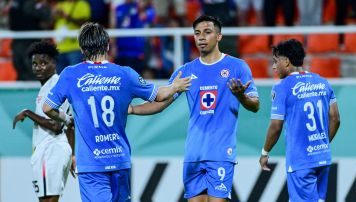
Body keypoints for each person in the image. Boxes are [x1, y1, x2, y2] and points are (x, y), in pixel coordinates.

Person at [42, 22, 191, 202]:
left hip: (91, 163)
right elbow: (159, 96)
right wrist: (175, 87)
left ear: (81, 49)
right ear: (107, 45)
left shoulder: (70, 74)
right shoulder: (124, 73)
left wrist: (66, 119)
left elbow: (47, 108)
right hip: (119, 159)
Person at [129, 15, 260, 202]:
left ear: (219, 36)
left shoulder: (237, 67)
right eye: (197, 33)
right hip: (194, 154)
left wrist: (241, 96)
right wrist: (133, 110)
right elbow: (161, 103)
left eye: (207, 32)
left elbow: (255, 106)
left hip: (221, 153)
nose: (201, 37)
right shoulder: (186, 71)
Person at [259, 39, 341, 202]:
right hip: (323, 156)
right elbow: (336, 118)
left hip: (301, 161)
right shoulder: (323, 82)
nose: (274, 67)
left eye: (276, 62)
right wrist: (323, 143)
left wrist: (265, 152)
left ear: (286, 61)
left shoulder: (281, 87)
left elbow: (276, 126)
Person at [12, 40, 74, 202]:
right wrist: (72, 154)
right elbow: (71, 124)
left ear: (54, 63)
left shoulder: (55, 86)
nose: (38, 67)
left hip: (52, 149)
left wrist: (27, 113)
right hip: (48, 150)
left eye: (44, 63)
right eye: (35, 63)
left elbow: (55, 126)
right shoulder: (47, 87)